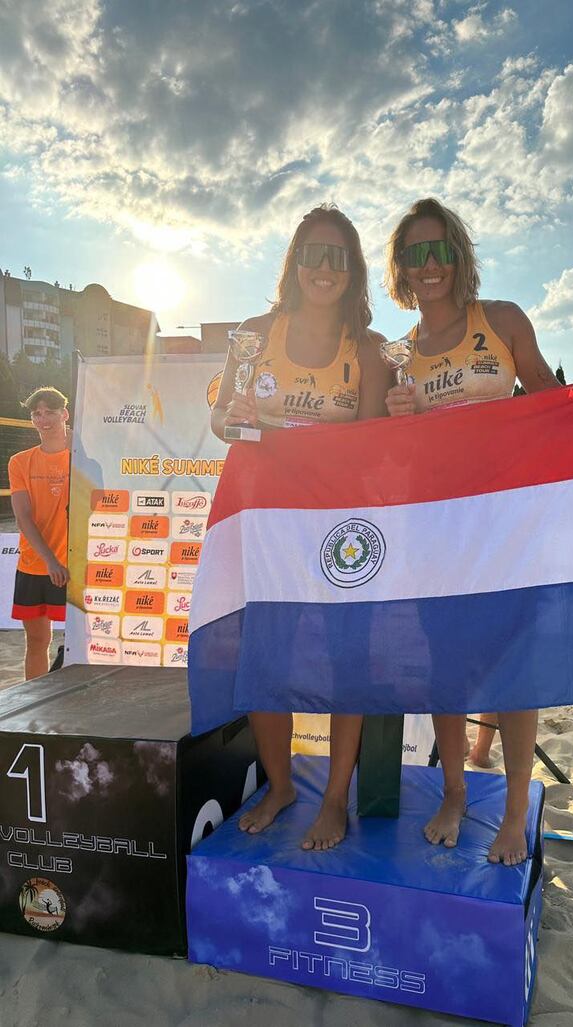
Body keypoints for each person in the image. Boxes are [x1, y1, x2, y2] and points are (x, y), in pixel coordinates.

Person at [384, 197, 573, 865]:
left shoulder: (501, 320)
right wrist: (398, 418)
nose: (429, 265)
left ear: (458, 255)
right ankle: (454, 790)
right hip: (436, 528)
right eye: (414, 253)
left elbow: (549, 398)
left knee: (514, 672)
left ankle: (513, 812)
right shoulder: (400, 353)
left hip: (507, 528)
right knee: (446, 675)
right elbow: (397, 456)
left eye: (439, 249)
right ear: (399, 268)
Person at [211, 204, 390, 851]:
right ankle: (282, 785)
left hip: (342, 526)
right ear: (294, 264)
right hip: (269, 521)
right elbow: (221, 423)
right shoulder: (255, 332)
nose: (322, 268)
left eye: (336, 257)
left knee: (348, 664)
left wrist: (292, 434)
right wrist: (240, 420)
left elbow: (372, 446)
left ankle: (334, 799)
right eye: (311, 254)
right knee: (267, 657)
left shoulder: (368, 349)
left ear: (352, 271)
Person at [9, 387, 71, 680]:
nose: (43, 418)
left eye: (50, 411)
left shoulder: (83, 455)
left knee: (81, 644)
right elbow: (23, 517)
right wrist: (50, 561)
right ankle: (32, 708)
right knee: (37, 641)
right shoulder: (20, 461)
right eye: (37, 413)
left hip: (75, 566)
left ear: (64, 414)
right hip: (36, 565)